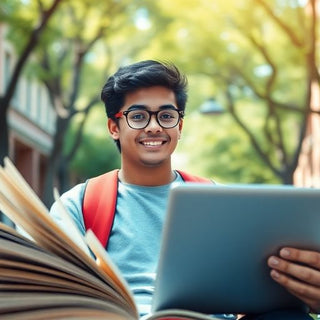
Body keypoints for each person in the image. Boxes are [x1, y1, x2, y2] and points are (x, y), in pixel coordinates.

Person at [50, 60, 319, 319]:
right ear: (114, 127)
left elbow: (249, 288)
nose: (154, 126)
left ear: (179, 126)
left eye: (166, 116)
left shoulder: (222, 202)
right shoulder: (77, 206)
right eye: (139, 116)